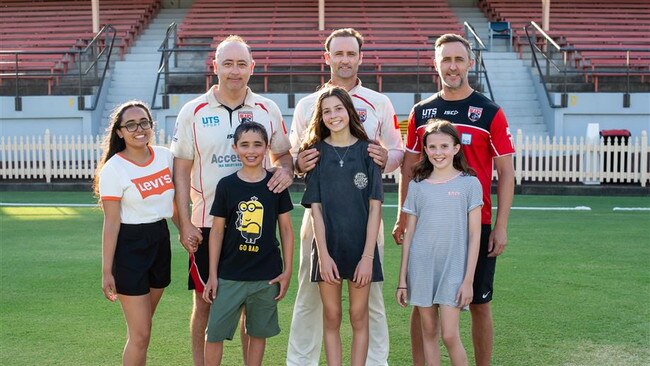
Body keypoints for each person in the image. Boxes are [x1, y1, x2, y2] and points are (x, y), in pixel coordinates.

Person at [392, 33, 515, 366]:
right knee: (423, 302)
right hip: (429, 222)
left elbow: (506, 173)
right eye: (445, 59)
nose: (452, 66)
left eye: (459, 59)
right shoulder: (421, 111)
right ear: (436, 63)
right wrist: (402, 216)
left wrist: (500, 226)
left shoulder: (490, 112)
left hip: (477, 224)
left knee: (478, 302)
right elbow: (408, 168)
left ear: (470, 63)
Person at [170, 35, 293, 366]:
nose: (235, 71)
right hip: (207, 225)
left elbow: (283, 155)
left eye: (241, 64)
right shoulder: (192, 111)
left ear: (252, 68)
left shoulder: (268, 108)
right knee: (206, 302)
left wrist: (286, 171)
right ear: (215, 67)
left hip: (256, 225)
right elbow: (180, 170)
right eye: (228, 63)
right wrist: (183, 223)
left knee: (252, 305)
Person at [287, 27, 403, 366]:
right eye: (338, 53)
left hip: (364, 214)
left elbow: (396, 151)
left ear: (360, 57)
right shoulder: (310, 104)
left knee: (370, 299)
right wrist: (297, 161)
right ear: (327, 58)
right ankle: (302, 361)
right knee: (311, 294)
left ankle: (374, 361)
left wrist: (386, 158)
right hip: (320, 216)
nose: (344, 59)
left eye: (351, 53)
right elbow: (295, 154)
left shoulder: (379, 102)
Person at [300, 86, 383, 366]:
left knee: (359, 316)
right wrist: (323, 256)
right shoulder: (316, 154)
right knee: (332, 315)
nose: (333, 115)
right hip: (328, 250)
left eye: (338, 109)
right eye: (326, 111)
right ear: (320, 118)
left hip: (361, 250)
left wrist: (368, 258)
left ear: (349, 111)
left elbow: (375, 209)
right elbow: (316, 211)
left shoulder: (368, 152)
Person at [202, 122, 294, 366]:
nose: (251, 150)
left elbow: (286, 229)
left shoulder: (276, 184)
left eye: (257, 144)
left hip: (266, 277)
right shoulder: (227, 185)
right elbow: (218, 231)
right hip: (229, 275)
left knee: (257, 334)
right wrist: (213, 275)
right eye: (244, 144)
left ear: (266, 148)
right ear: (235, 148)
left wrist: (287, 271)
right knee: (214, 335)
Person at [94, 100, 177, 365]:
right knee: (140, 335)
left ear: (151, 125)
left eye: (143, 122)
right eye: (130, 125)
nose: (138, 129)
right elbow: (111, 222)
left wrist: (185, 230)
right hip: (130, 248)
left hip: (160, 241)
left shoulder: (166, 157)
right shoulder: (114, 169)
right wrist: (107, 270)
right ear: (119, 132)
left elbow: (173, 203)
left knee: (142, 330)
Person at [396, 119, 482, 366]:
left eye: (444, 146)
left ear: (456, 148)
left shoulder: (469, 184)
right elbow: (410, 235)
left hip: (453, 269)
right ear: (425, 150)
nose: (438, 152)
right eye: (432, 147)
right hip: (422, 267)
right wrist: (402, 280)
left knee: (450, 334)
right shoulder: (417, 186)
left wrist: (468, 281)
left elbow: (475, 235)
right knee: (429, 333)